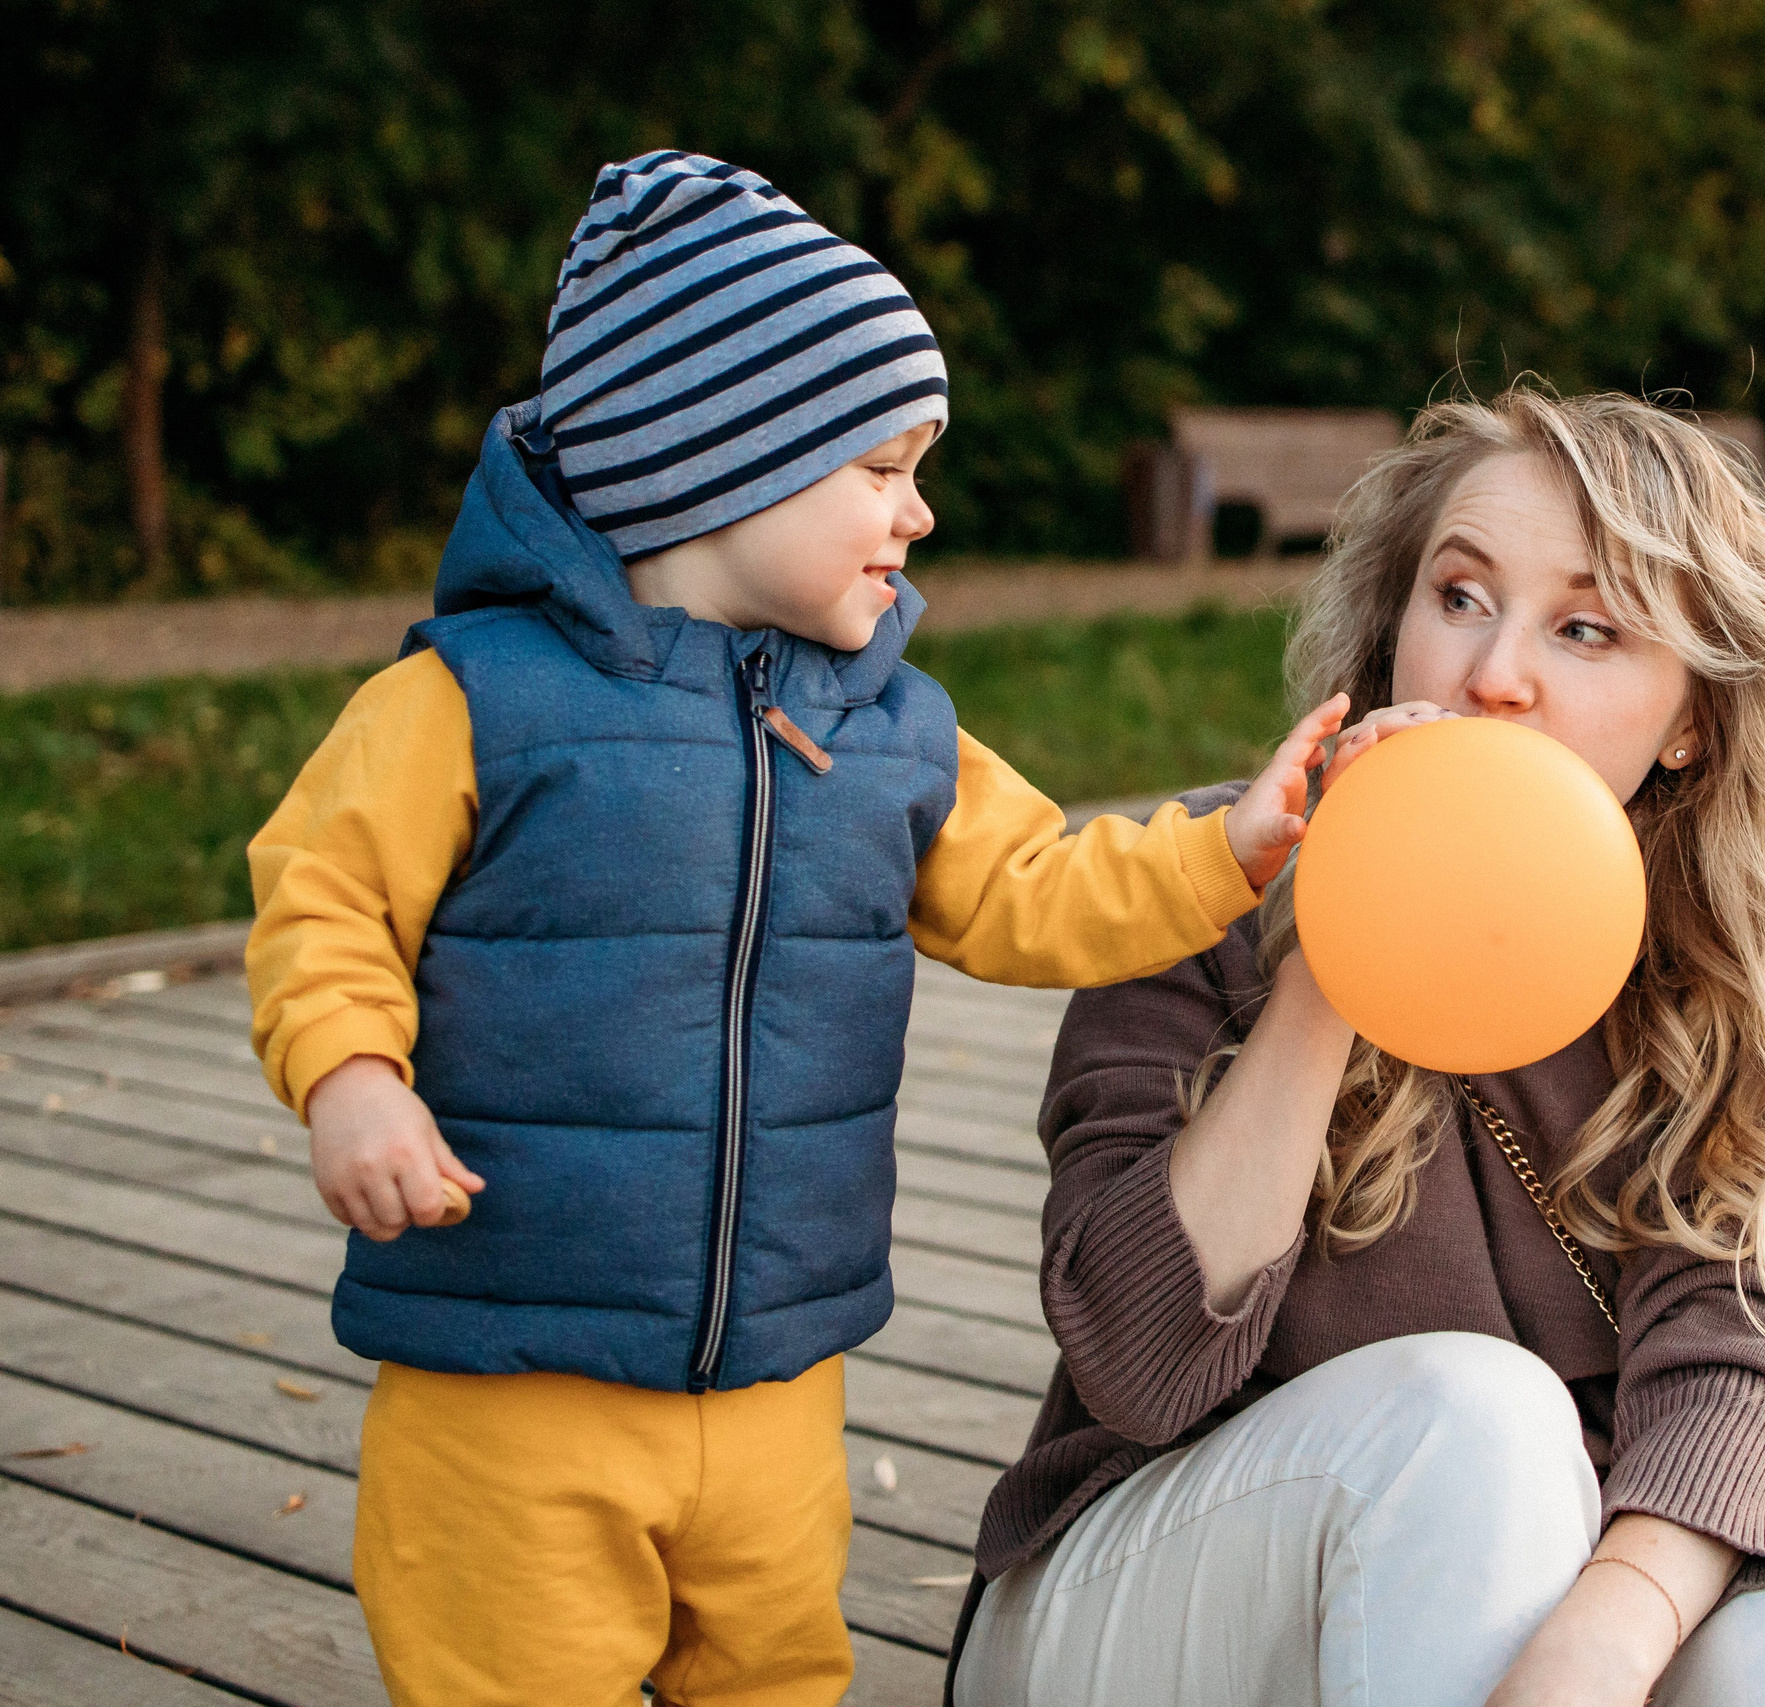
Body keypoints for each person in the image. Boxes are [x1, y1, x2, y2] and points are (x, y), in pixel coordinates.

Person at [243, 150, 1349, 1707]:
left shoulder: (893, 728)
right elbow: (322, 893)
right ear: (721, 465)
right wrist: (351, 1072)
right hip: (510, 1371)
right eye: (883, 468)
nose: (922, 511)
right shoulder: (470, 705)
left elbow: (1035, 888)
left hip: (774, 1374)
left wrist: (1229, 849)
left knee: (774, 1671)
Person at [951, 389, 1765, 1706]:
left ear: (1691, 720)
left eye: (1586, 629)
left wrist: (1603, 1639)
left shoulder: (1709, 972)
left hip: (1490, 1612)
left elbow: (1734, 1371)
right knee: (1482, 1414)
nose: (1496, 675)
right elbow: (1137, 1369)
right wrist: (1335, 949)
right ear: (1393, 629)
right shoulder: (1200, 880)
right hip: (1125, 1609)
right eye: (1462, 596)